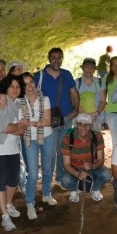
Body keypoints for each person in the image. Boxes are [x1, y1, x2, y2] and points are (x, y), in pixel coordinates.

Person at [0, 74, 29, 231]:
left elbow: (22, 130)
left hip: (12, 148)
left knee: (13, 179)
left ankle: (8, 204)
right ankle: (4, 216)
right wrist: (15, 127)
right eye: (11, 86)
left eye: (17, 87)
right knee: (1, 181)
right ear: (5, 88)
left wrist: (13, 127)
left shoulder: (18, 104)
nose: (15, 90)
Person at [34, 47, 80, 182]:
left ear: (62, 59)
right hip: (48, 119)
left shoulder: (66, 74)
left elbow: (74, 92)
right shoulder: (39, 76)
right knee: (50, 151)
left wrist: (76, 110)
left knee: (63, 149)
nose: (56, 61)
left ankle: (60, 178)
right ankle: (48, 180)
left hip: (65, 118)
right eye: (53, 58)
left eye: (59, 58)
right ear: (49, 59)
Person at [19, 73, 56, 221]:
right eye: (26, 84)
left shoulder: (44, 99)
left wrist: (30, 123)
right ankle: (29, 202)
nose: (30, 86)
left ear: (35, 83)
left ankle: (46, 194)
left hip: (47, 136)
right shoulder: (19, 102)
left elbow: (47, 122)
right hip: (30, 139)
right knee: (33, 173)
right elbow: (20, 122)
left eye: (31, 82)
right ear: (22, 87)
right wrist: (32, 123)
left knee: (47, 168)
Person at [60, 113, 111, 203]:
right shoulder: (67, 139)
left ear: (90, 126)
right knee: (65, 179)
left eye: (86, 125)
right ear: (76, 125)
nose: (83, 128)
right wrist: (77, 174)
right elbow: (66, 164)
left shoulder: (97, 136)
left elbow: (101, 160)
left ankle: (94, 188)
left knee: (107, 174)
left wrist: (92, 166)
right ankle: (75, 189)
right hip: (75, 169)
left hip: (92, 168)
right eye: (80, 124)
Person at [75, 57, 106, 133]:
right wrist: (86, 115)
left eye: (92, 67)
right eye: (86, 67)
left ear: (94, 69)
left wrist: (96, 113)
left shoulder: (100, 82)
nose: (89, 69)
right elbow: (74, 101)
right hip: (81, 117)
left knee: (95, 139)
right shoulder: (77, 82)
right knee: (80, 140)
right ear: (83, 69)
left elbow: (103, 101)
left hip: (96, 118)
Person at [103, 56, 117, 148]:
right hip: (111, 114)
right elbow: (102, 97)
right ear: (111, 67)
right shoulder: (106, 79)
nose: (116, 67)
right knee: (116, 142)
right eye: (113, 64)